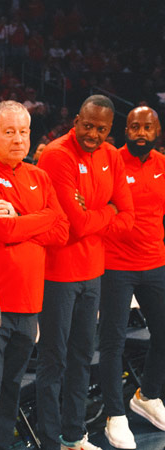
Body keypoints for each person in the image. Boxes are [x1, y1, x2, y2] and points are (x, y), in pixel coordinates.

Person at [0, 101, 69, 450]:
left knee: (11, 390)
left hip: (30, 305)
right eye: (9, 132)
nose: (19, 139)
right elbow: (2, 230)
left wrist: (20, 215)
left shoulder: (39, 176)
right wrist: (42, 217)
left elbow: (62, 231)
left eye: (24, 132)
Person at [36, 95, 135, 450]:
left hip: (93, 272)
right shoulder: (56, 155)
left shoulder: (111, 156)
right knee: (53, 360)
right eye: (88, 125)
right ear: (76, 120)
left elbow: (129, 217)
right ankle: (51, 442)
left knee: (81, 357)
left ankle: (74, 436)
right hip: (57, 273)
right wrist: (107, 211)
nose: (93, 134)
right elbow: (75, 225)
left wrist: (95, 214)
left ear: (110, 130)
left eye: (101, 129)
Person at [99, 106, 165, 449]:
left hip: (155, 262)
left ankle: (147, 395)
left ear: (157, 131)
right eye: (135, 126)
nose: (141, 132)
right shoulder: (111, 160)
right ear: (125, 130)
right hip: (116, 264)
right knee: (112, 342)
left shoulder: (162, 164)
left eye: (148, 127)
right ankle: (115, 414)